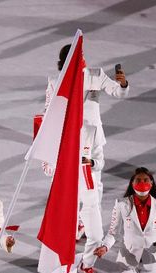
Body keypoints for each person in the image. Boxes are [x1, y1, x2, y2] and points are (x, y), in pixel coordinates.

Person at [45, 44, 129, 200]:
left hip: (92, 136)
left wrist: (123, 85)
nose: (82, 57)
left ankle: (93, 214)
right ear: (67, 59)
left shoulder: (96, 75)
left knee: (93, 179)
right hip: (67, 137)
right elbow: (48, 112)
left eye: (82, 53)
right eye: (78, 54)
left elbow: (117, 91)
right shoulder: (54, 82)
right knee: (65, 183)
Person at [43, 121, 106, 273]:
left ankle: (86, 265)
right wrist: (61, 162)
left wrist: (90, 162)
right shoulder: (56, 131)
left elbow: (100, 163)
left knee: (96, 235)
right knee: (67, 236)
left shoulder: (92, 130)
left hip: (88, 190)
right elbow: (47, 169)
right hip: (65, 190)